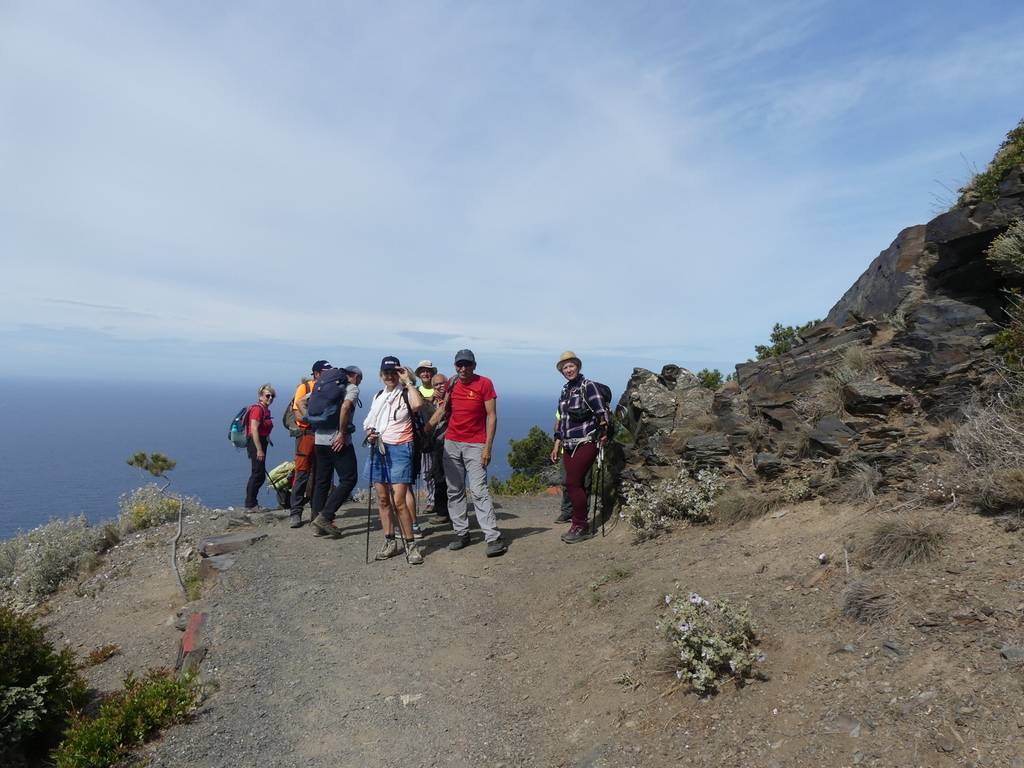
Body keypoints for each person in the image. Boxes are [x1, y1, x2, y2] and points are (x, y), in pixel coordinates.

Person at [443, 349, 506, 557]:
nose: (463, 368)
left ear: (474, 365)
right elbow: (444, 408)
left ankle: (493, 537)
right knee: (454, 490)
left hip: (475, 444)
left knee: (479, 490)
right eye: (459, 365)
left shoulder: (484, 384)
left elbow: (492, 416)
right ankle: (461, 533)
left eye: (467, 365)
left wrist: (488, 447)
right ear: (455, 366)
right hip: (451, 441)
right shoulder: (451, 383)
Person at [362, 357, 425, 565]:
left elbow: (418, 406)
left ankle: (411, 544)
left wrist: (408, 382)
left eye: (393, 372)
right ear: (381, 375)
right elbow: (372, 421)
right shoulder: (379, 395)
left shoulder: (407, 393)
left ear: (399, 373)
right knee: (382, 499)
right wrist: (370, 433)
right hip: (379, 448)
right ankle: (390, 541)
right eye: (386, 373)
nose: (389, 376)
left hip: (400, 449)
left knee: (398, 500)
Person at [549, 351, 609, 543]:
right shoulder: (565, 391)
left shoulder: (588, 386)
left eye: (571, 365)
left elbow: (601, 412)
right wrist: (557, 443)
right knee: (573, 483)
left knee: (573, 483)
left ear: (578, 366)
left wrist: (603, 432)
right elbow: (562, 420)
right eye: (565, 367)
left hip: (586, 441)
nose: (568, 369)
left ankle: (580, 525)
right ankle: (577, 523)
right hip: (568, 444)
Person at [310, 366, 363, 538]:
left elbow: (302, 403)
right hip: (338, 440)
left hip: (319, 439)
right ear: (355, 376)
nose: (359, 383)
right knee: (349, 478)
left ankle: (316, 523)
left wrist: (312, 423)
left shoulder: (324, 387)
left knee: (322, 480)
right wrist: (341, 432)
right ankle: (325, 516)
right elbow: (346, 407)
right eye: (360, 379)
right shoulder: (351, 387)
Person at [288, 360, 331, 528]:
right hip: (306, 435)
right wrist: (315, 419)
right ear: (317, 373)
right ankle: (296, 512)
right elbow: (297, 414)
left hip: (322, 435)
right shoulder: (304, 388)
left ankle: (316, 511)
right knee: (302, 473)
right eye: (325, 372)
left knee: (319, 474)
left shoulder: (328, 389)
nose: (328, 375)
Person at [422, 373, 450, 524]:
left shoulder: (451, 399)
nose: (439, 386)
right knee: (438, 478)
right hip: (435, 445)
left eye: (442, 383)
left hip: (449, 444)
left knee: (448, 479)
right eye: (436, 384)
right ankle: (442, 511)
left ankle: (447, 512)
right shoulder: (432, 402)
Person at [244, 384, 276, 511]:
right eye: (267, 395)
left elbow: (264, 427)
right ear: (261, 396)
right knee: (258, 474)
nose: (270, 398)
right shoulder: (258, 409)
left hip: (261, 442)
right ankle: (250, 504)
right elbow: (254, 429)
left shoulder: (266, 409)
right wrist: (259, 449)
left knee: (258, 473)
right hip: (255, 443)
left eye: (272, 396)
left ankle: (251, 503)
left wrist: (267, 438)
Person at [414, 360, 438, 514]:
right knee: (427, 471)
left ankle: (441, 500)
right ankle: (431, 500)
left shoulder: (440, 389)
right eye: (422, 371)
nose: (425, 373)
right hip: (424, 437)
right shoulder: (415, 392)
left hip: (441, 435)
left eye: (428, 371)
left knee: (441, 471)